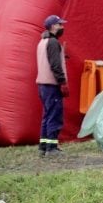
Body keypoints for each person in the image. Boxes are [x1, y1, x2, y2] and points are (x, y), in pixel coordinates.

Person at [35, 14, 69, 157]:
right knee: (54, 116)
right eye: (60, 24)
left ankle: (44, 146)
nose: (62, 27)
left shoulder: (42, 42)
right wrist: (62, 82)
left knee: (47, 115)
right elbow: (55, 65)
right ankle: (52, 148)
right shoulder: (53, 43)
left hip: (42, 85)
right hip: (52, 85)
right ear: (53, 26)